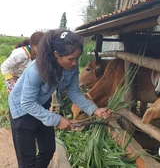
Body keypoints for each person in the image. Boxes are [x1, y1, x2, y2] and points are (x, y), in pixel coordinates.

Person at [8, 29, 112, 168]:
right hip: (21, 111)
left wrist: (94, 110)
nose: (75, 63)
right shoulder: (37, 70)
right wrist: (57, 120)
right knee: (28, 161)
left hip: (41, 104)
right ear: (56, 54)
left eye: (77, 58)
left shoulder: (71, 67)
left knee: (48, 150)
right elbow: (27, 103)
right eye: (71, 59)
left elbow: (74, 91)